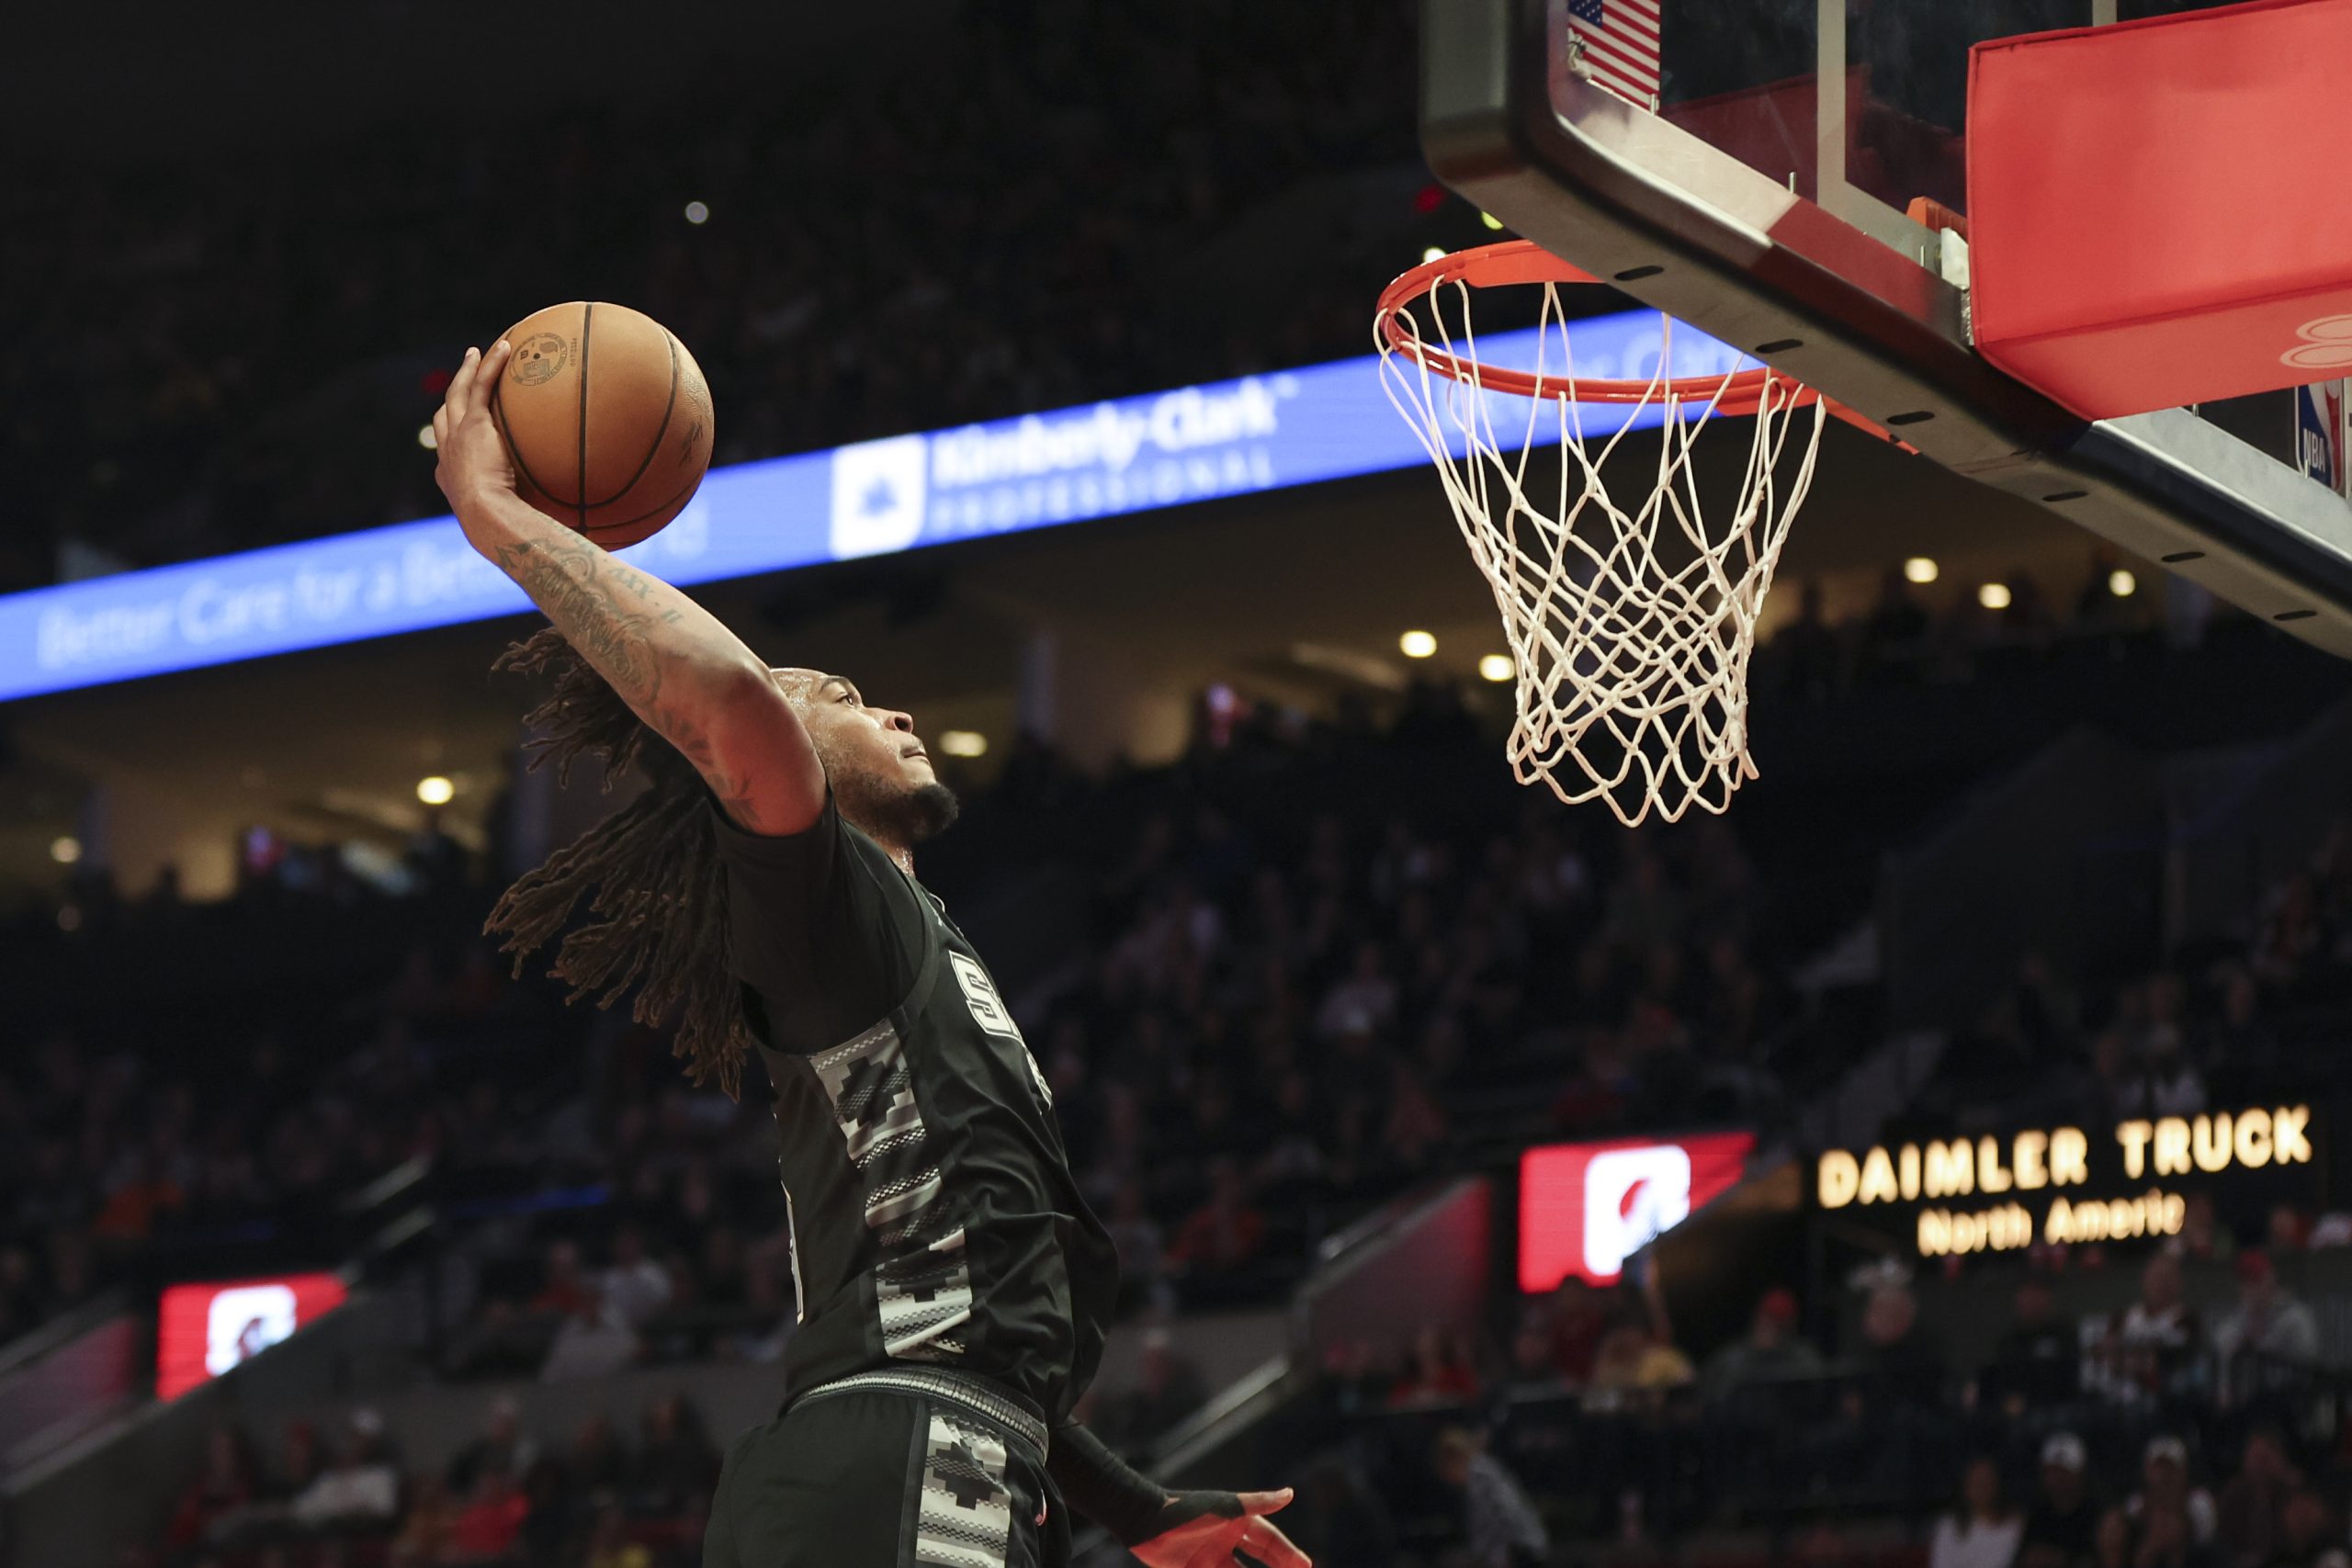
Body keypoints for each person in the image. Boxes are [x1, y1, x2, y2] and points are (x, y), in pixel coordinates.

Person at [432, 343, 1305, 1568]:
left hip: (922, 1446)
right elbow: (731, 700)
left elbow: (976, 1298)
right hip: (906, 1450)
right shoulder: (819, 904)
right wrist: (496, 515)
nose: (893, 709)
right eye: (839, 693)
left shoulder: (898, 940)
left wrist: (1132, 1506)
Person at [2211, 1252, 2319, 1404]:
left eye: (2257, 1281)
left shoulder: (2294, 1318)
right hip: (2244, 1406)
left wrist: (2263, 1341)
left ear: (2271, 1280)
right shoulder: (2234, 1325)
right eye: (2246, 1282)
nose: (2252, 1288)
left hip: (2286, 1403)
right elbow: (2222, 1349)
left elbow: (2306, 1364)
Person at [1432, 1427, 1548, 1568]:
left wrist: (1504, 1556)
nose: (1451, 1480)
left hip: (1520, 1552)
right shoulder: (1480, 1475)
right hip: (1513, 1551)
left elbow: (1506, 1516)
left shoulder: (1483, 1476)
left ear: (1454, 1458)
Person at [1702, 1288, 1822, 1397]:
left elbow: (1817, 1394)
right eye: (1768, 1319)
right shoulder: (1732, 1359)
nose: (1771, 1328)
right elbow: (1711, 1396)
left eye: (1780, 1324)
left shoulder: (1803, 1358)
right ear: (1757, 1318)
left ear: (1791, 1326)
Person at [2021, 1432, 2101, 1568]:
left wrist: (2063, 1560)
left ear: (2080, 1473)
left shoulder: (2096, 1515)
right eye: (2052, 1472)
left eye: (2064, 1472)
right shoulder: (2039, 1515)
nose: (2057, 1480)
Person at [1931, 1457, 2025, 1568]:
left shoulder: (2015, 1526)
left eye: (1987, 1481)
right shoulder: (1949, 1526)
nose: (1982, 1488)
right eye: (1976, 1481)